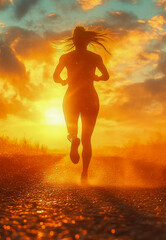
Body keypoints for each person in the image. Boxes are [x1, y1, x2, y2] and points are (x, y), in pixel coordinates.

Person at [53, 26, 110, 184]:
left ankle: (72, 140)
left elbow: (55, 76)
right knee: (87, 139)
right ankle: (84, 174)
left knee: (73, 131)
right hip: (90, 97)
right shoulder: (95, 57)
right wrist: (96, 77)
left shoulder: (65, 57)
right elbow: (106, 76)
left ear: (73, 40)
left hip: (72, 96)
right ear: (87, 41)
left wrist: (63, 81)